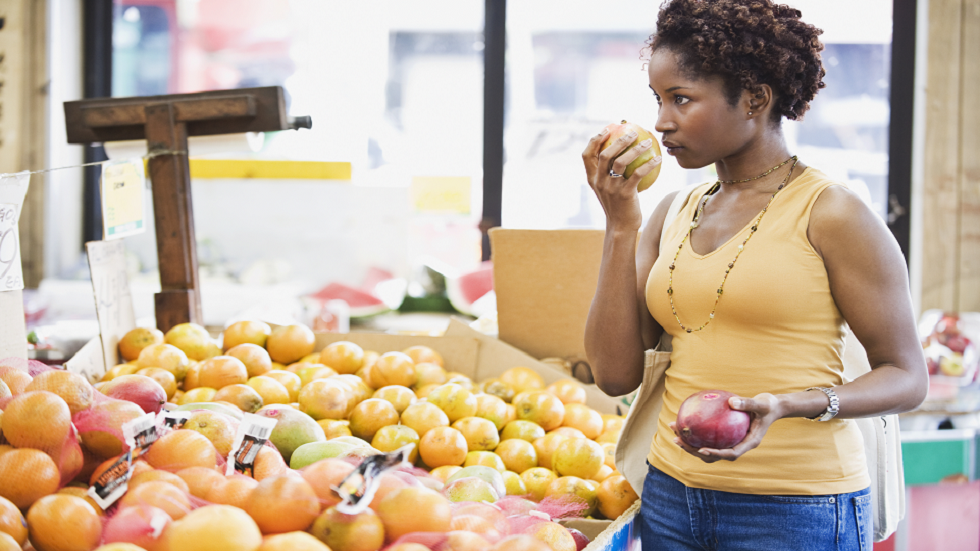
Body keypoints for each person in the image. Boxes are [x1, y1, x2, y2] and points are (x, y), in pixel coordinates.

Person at [581, 1, 928, 549]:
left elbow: (908, 376)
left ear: (755, 100)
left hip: (798, 507)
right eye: (658, 99)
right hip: (672, 496)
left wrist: (793, 403)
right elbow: (614, 374)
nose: (661, 121)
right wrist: (621, 224)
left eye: (681, 99)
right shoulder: (674, 210)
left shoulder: (832, 213)